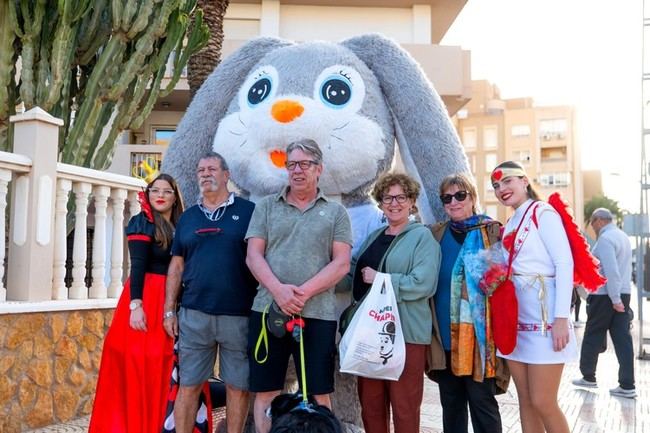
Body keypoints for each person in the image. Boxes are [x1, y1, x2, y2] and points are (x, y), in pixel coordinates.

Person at [245, 139, 353, 433]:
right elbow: (253, 255)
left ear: (319, 169)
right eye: (291, 164)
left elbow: (341, 263)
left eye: (304, 164)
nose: (297, 170)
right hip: (269, 312)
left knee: (319, 393)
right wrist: (279, 291)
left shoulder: (336, 213)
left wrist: (302, 293)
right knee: (266, 392)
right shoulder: (266, 207)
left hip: (317, 314)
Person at [163, 152, 257, 433]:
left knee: (238, 388)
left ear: (226, 175)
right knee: (189, 385)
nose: (205, 173)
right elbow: (176, 266)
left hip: (238, 316)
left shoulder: (249, 211)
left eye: (212, 168)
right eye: (201, 170)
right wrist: (169, 310)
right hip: (194, 315)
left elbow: (261, 257)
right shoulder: (188, 217)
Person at [343, 172, 439, 433]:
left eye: (401, 197)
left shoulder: (422, 237)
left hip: (406, 334)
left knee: (405, 407)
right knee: (371, 406)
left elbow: (423, 283)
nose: (394, 203)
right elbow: (352, 273)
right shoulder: (374, 236)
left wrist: (381, 279)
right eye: (388, 197)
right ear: (380, 202)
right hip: (370, 333)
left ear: (412, 202)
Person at [89, 173, 184, 433]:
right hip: (148, 297)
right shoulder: (142, 223)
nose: (160, 195)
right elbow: (138, 266)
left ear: (175, 198)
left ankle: (161, 424)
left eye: (166, 191)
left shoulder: (181, 225)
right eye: (155, 191)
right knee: (142, 362)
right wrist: (136, 306)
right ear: (148, 194)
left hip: (173, 298)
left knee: (167, 364)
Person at [490, 160, 577, 433]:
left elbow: (564, 263)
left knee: (543, 401)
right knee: (526, 401)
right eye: (495, 185)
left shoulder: (543, 212)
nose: (501, 189)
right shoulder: (511, 220)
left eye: (507, 181)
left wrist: (561, 318)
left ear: (524, 181)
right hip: (516, 320)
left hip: (545, 321)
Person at [427, 173, 505, 433]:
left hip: (480, 341)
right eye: (447, 197)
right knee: (451, 406)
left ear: (472, 197)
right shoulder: (436, 235)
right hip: (446, 339)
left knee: (483, 404)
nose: (454, 202)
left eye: (460, 195)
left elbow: (501, 283)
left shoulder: (491, 232)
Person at [572, 208, 636, 398]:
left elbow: (611, 271)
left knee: (592, 333)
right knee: (623, 339)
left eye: (592, 223)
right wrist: (619, 298)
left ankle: (588, 376)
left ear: (599, 220)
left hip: (605, 296)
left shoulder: (606, 240)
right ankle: (627, 384)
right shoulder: (622, 236)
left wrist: (614, 300)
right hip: (622, 293)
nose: (592, 227)